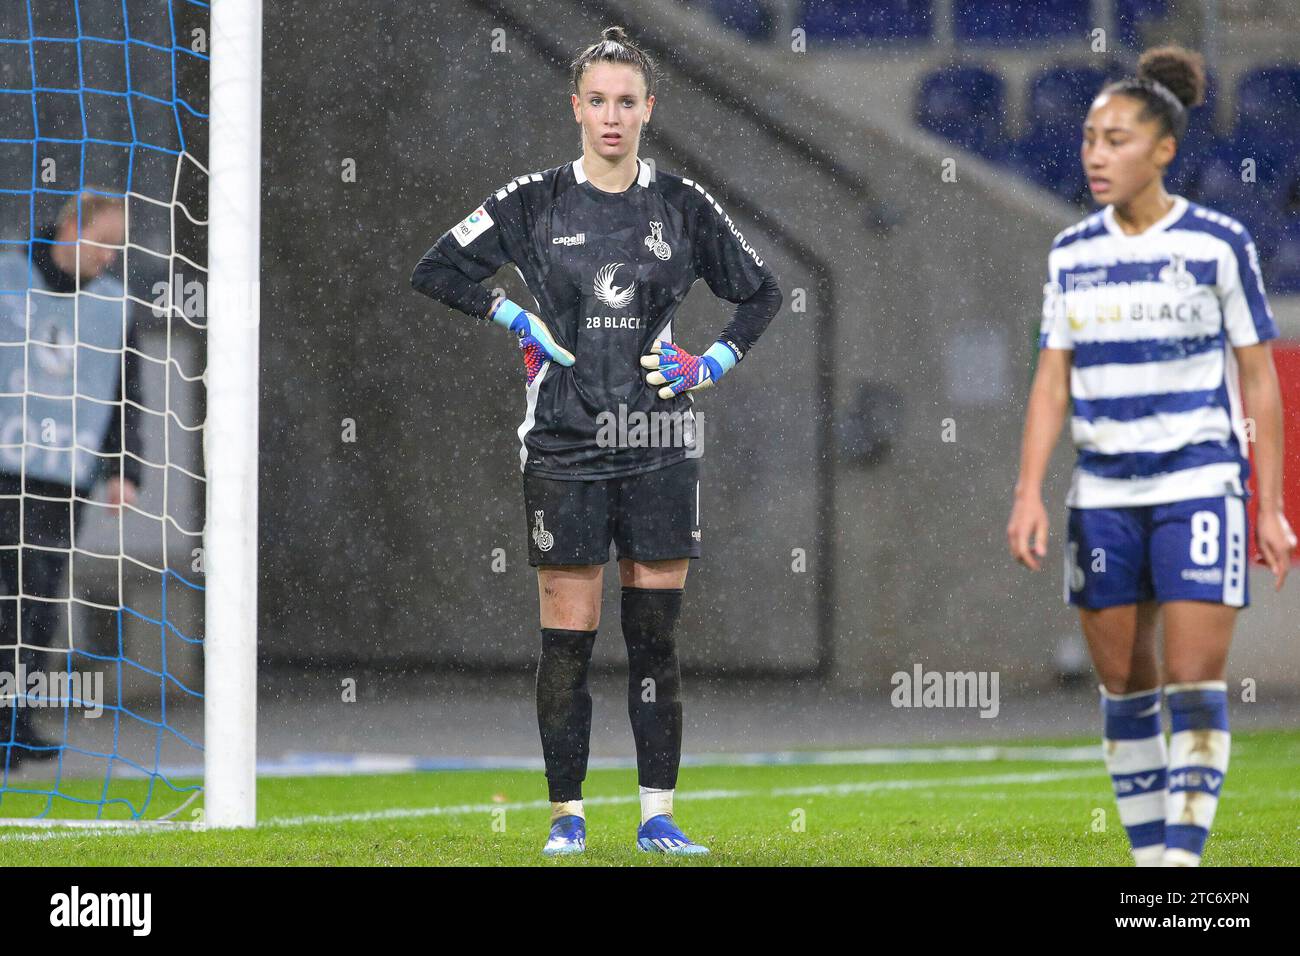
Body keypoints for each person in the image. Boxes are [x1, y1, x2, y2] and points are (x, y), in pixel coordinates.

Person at [411, 26, 782, 856]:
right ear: (575, 108)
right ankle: (567, 818)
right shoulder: (533, 200)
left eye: (627, 102)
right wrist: (513, 314)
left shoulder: (684, 206)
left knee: (654, 639)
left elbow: (762, 294)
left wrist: (709, 363)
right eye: (598, 101)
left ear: (650, 110)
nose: (612, 117)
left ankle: (657, 816)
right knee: (567, 644)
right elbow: (436, 268)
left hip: (656, 443)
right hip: (566, 448)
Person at [1008, 46, 1296, 867]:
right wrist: (1030, 491)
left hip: (1199, 487)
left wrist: (1267, 505)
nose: (1096, 154)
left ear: (1163, 148)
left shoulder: (1218, 244)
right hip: (1101, 496)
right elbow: (1050, 385)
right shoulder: (1071, 255)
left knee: (1195, 682)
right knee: (1126, 690)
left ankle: (1178, 872)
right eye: (1091, 138)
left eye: (1117, 139)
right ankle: (1147, 865)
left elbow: (1258, 381)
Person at [0, 189, 142, 771]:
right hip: (5, 468)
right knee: (7, 596)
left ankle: (18, 717)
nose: (110, 256)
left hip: (64, 475)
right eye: (103, 242)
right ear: (68, 228)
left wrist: (124, 470)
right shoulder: (9, 277)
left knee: (40, 601)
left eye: (118, 246)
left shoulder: (113, 306)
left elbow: (125, 395)